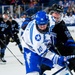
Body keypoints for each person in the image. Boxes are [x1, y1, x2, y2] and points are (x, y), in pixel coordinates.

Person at [22, 10, 73, 75]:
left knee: (62, 67)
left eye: (44, 24)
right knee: (32, 73)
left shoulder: (51, 20)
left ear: (47, 21)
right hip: (30, 49)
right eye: (40, 25)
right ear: (37, 23)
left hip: (44, 45)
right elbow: (44, 53)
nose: (42, 26)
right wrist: (58, 59)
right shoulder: (36, 38)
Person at [40, 4, 75, 74]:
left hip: (57, 51)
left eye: (59, 16)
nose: (56, 19)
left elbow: (68, 39)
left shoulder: (61, 24)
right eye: (55, 15)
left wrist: (73, 51)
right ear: (50, 14)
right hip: (43, 52)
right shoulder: (43, 23)